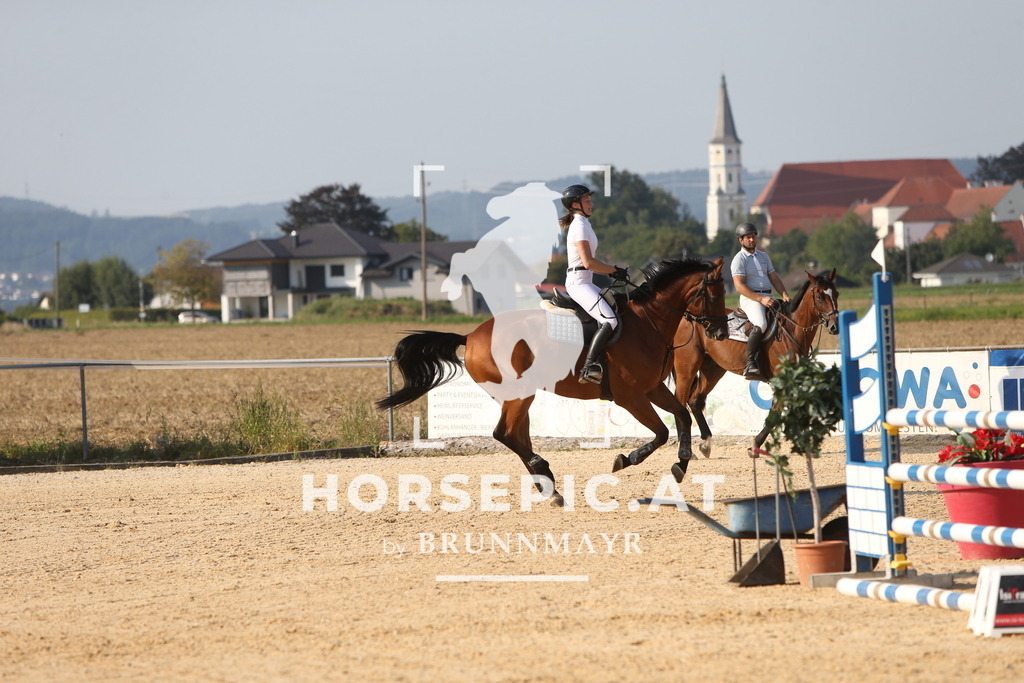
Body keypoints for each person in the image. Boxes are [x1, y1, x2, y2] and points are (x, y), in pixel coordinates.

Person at [559, 184, 629, 384]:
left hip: (586, 281)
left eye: (590, 199)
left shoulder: (584, 223)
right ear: (575, 204)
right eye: (587, 200)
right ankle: (589, 367)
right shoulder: (579, 226)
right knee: (610, 320)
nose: (592, 203)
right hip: (578, 283)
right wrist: (614, 270)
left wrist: (614, 270)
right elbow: (589, 262)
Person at [730, 222, 789, 381]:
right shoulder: (739, 259)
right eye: (748, 237)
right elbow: (739, 286)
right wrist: (760, 299)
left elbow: (774, 278)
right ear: (741, 240)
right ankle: (751, 363)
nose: (751, 239)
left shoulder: (763, 256)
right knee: (761, 324)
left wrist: (784, 294)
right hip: (751, 298)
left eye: (753, 236)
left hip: (768, 296)